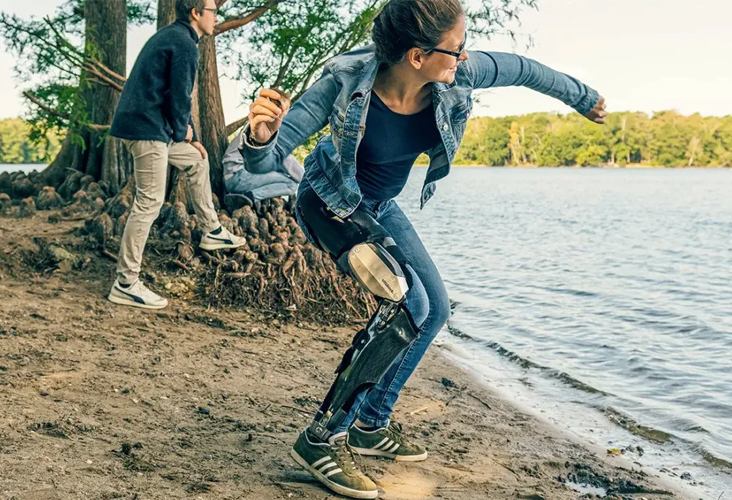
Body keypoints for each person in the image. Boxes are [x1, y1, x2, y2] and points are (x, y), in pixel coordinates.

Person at [242, 0, 607, 497]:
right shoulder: (344, 82)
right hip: (329, 201)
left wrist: (582, 98)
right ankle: (323, 437)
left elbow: (525, 70)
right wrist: (259, 136)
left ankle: (372, 421)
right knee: (403, 304)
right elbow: (267, 160)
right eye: (456, 48)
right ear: (417, 56)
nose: (465, 56)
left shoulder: (455, 74)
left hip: (379, 205)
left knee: (434, 309)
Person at [107, 0, 245, 310]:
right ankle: (126, 282)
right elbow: (180, 97)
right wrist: (186, 132)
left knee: (197, 159)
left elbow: (179, 94)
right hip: (147, 130)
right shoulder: (183, 43)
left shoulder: (176, 37)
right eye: (213, 11)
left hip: (155, 128)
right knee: (149, 201)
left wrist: (192, 136)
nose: (216, 17)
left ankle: (212, 230)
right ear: (196, 13)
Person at [222, 132, 303, 210]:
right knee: (292, 184)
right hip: (238, 177)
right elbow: (291, 166)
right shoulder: (269, 135)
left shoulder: (255, 127)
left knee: (286, 176)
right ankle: (249, 197)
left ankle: (244, 196)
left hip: (233, 176)